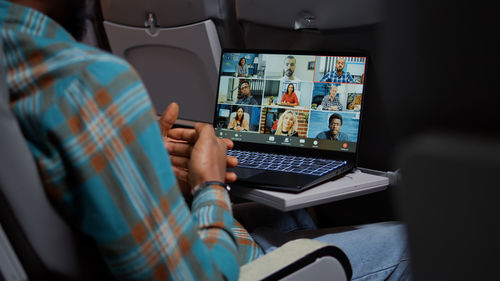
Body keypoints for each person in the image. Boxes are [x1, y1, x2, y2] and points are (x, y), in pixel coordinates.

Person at [0, 1, 411, 280]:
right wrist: (209, 185)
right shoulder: (85, 80)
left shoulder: (19, 67)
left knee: (294, 219)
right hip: (231, 270)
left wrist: (144, 161)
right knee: (408, 239)